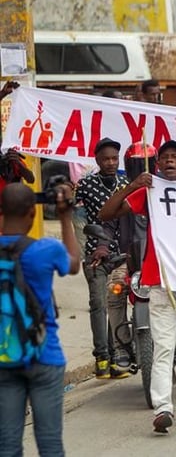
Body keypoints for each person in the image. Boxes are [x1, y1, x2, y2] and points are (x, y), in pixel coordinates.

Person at [98, 141, 176, 433]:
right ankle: (162, 408)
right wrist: (133, 184)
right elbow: (106, 214)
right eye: (165, 158)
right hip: (158, 280)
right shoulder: (149, 193)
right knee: (163, 348)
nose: (170, 162)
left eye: (175, 158)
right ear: (157, 165)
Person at [0, 183, 80, 456]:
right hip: (45, 355)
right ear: (32, 215)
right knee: (49, 442)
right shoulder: (46, 249)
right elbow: (73, 263)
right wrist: (65, 216)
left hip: (3, 357)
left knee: (7, 444)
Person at [75, 138, 130, 379]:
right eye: (106, 159)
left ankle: (119, 356)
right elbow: (78, 221)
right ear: (97, 160)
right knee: (98, 305)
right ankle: (102, 358)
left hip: (122, 255)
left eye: (114, 159)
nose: (110, 163)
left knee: (115, 304)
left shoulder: (126, 184)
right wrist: (86, 252)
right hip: (95, 255)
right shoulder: (85, 185)